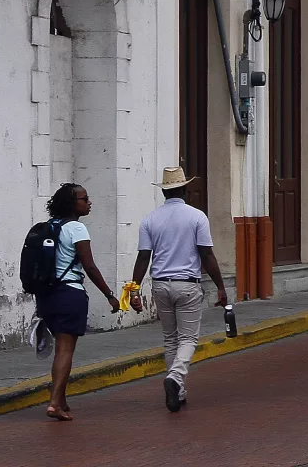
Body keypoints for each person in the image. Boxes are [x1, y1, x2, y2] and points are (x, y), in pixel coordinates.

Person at [128, 167, 227, 413]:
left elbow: (143, 257)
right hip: (187, 285)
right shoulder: (196, 217)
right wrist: (221, 286)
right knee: (189, 338)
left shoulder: (150, 219)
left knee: (170, 338)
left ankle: (178, 392)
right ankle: (175, 376)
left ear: (163, 191)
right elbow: (207, 254)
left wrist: (134, 289)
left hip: (160, 285)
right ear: (184, 190)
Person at [35, 183, 121, 421]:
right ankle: (54, 403)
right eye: (85, 198)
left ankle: (61, 399)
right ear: (73, 203)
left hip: (47, 296)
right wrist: (109, 295)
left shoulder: (49, 227)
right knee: (65, 349)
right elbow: (90, 266)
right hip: (69, 294)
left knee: (61, 349)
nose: (89, 202)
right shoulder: (77, 228)